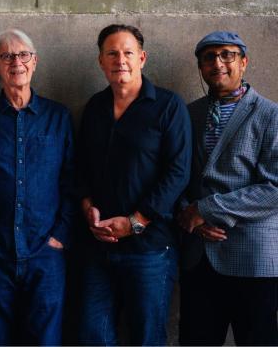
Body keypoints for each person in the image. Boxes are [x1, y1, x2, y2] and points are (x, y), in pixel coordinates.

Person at [76, 24, 191, 346]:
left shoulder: (168, 106)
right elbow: (80, 167)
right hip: (98, 247)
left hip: (149, 248)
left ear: (142, 58)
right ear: (100, 61)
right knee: (92, 336)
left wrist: (136, 222)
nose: (120, 59)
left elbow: (178, 172)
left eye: (128, 52)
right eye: (112, 53)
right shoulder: (95, 107)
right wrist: (87, 209)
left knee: (146, 338)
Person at [0, 29, 75, 345]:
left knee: (45, 340)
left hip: (45, 252)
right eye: (6, 55)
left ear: (35, 61)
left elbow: (71, 179)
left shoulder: (58, 116)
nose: (16, 62)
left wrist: (60, 236)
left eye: (23, 54)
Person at [177, 31, 278, 346]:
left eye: (226, 55)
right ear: (201, 68)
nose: (217, 63)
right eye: (208, 57)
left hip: (252, 258)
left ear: (243, 62)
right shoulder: (189, 113)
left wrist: (206, 210)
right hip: (199, 258)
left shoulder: (270, 114)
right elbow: (176, 175)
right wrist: (186, 214)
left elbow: (274, 188)